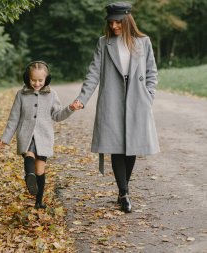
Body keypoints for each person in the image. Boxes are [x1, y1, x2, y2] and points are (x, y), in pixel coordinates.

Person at [72, 2, 160, 213]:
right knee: (115, 145)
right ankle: (124, 193)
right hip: (112, 99)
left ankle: (123, 190)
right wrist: (82, 98)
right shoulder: (104, 43)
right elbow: (93, 72)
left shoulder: (143, 41)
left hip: (137, 99)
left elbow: (151, 72)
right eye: (111, 22)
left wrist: (149, 96)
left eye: (117, 22)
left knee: (131, 146)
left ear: (127, 20)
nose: (114, 26)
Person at [0, 61, 81, 209]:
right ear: (27, 78)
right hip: (26, 134)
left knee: (40, 170)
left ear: (46, 79)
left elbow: (57, 115)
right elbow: (14, 118)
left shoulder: (51, 94)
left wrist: (70, 108)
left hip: (43, 137)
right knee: (29, 155)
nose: (36, 83)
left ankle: (39, 201)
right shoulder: (21, 95)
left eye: (40, 80)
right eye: (33, 80)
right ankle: (29, 176)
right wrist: (5, 138)